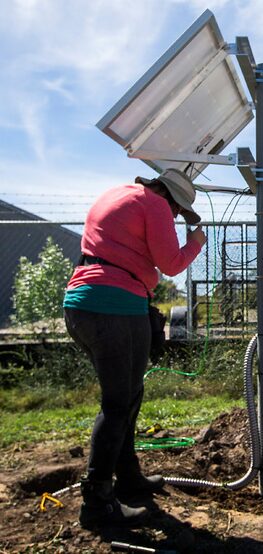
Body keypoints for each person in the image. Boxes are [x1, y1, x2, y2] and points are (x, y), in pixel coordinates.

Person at [63, 168, 206, 528]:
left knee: (129, 396)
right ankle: (96, 504)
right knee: (117, 405)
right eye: (177, 211)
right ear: (169, 197)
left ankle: (128, 480)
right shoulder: (155, 205)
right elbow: (172, 263)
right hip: (113, 306)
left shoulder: (115, 194)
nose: (174, 217)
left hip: (86, 304)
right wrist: (195, 243)